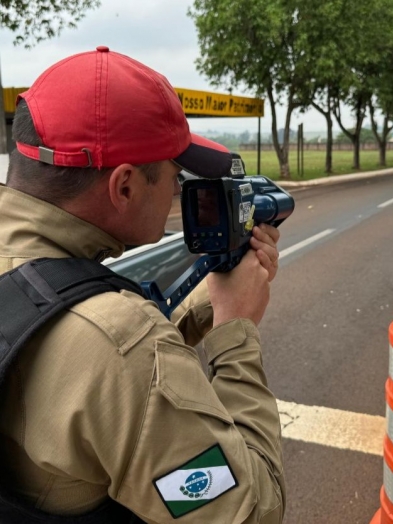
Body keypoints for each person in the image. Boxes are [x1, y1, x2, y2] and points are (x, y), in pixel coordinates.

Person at [0, 46, 285, 523]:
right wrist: (235, 330)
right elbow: (253, 511)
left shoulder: (71, 298)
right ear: (125, 186)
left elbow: (62, 332)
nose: (179, 191)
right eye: (175, 178)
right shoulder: (122, 344)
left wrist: (205, 304)